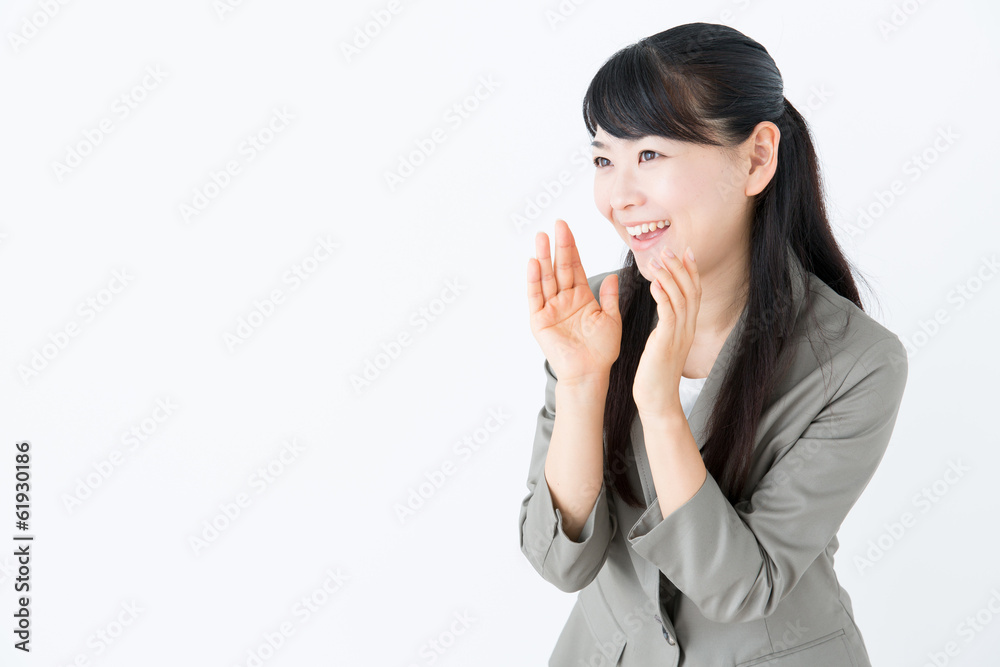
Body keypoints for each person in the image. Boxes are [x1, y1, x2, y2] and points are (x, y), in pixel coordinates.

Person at [519, 22, 909, 667]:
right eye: (602, 159)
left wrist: (661, 406)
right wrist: (585, 385)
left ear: (756, 158)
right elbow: (559, 561)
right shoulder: (589, 317)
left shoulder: (856, 362)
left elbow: (741, 587)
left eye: (650, 155)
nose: (620, 196)